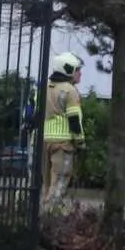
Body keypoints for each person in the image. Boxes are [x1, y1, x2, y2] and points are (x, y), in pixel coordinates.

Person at [42, 52, 83, 211]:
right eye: (78, 69)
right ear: (69, 69)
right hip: (63, 143)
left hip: (44, 140)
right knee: (58, 184)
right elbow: (74, 119)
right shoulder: (70, 90)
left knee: (45, 186)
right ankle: (49, 219)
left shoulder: (43, 87)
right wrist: (80, 141)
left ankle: (41, 215)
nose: (80, 73)